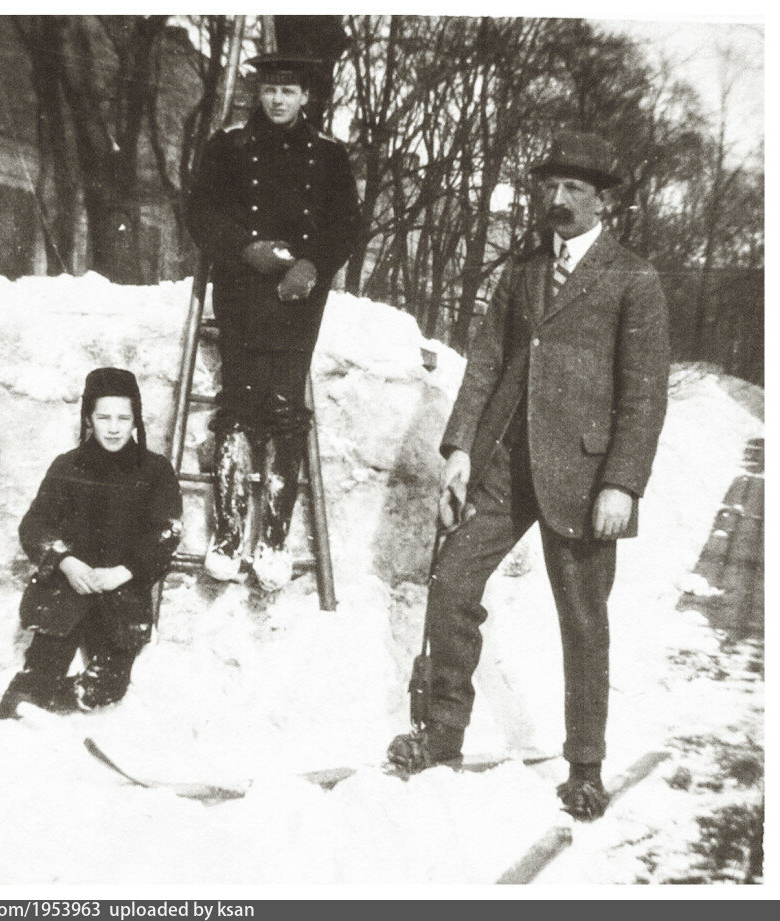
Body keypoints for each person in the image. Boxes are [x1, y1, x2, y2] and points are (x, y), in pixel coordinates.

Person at [387, 131, 671, 820]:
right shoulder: (522, 270)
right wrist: (461, 447)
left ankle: (586, 766)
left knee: (583, 619)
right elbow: (487, 359)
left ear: (604, 201)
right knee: (453, 583)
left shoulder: (634, 277)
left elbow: (644, 393)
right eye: (550, 185)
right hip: (505, 462)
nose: (558, 198)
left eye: (574, 188)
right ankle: (443, 732)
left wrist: (622, 482)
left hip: (585, 475)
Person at [186, 52, 361, 592]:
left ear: (306, 97)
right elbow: (201, 213)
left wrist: (313, 264)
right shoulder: (229, 146)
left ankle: (275, 541)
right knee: (239, 401)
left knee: (285, 407)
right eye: (269, 90)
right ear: (257, 94)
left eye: (288, 91)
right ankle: (227, 534)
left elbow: (346, 224)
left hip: (299, 297)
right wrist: (245, 248)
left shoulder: (329, 155)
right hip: (242, 287)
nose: (278, 100)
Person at [0, 368, 183, 719]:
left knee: (108, 686)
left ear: (136, 420)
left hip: (121, 597)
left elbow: (166, 533)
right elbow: (34, 525)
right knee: (38, 675)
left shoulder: (155, 471)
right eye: (103, 417)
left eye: (123, 418)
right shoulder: (67, 466)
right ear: (89, 419)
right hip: (66, 593)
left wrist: (124, 572)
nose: (113, 428)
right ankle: (24, 710)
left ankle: (51, 707)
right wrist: (66, 563)